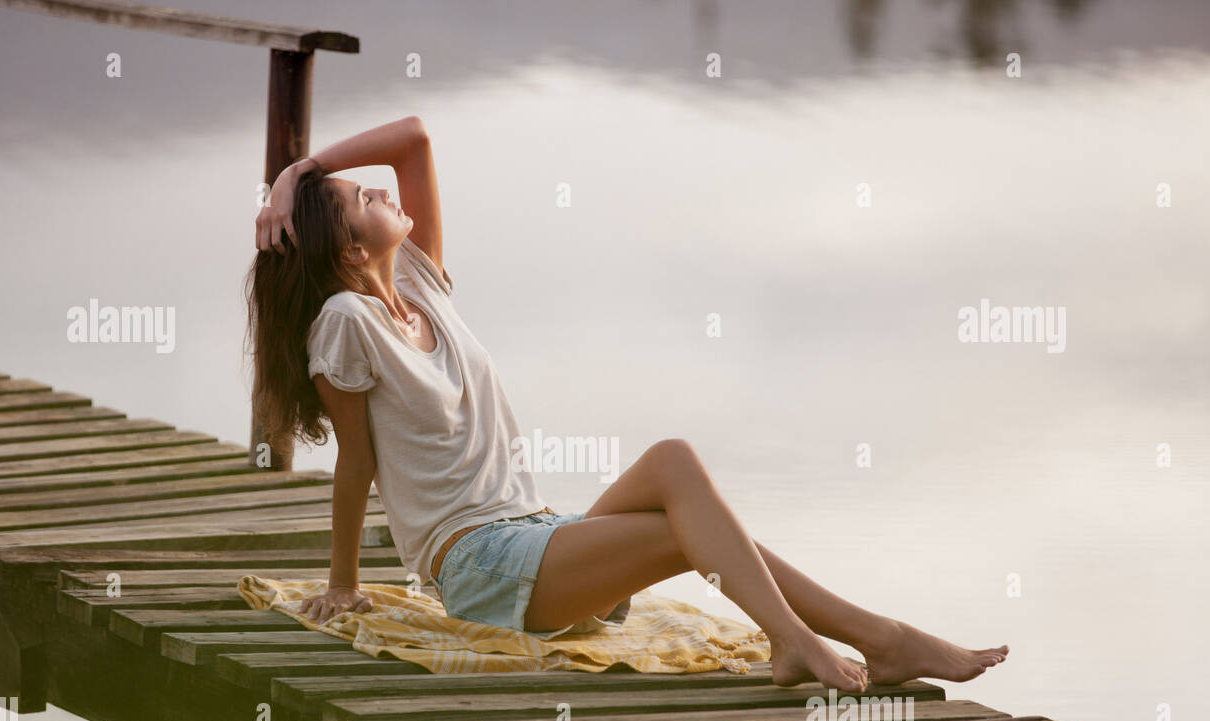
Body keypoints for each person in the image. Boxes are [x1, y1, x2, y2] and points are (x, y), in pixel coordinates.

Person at [247, 117, 1008, 692]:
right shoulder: (346, 323)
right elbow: (357, 460)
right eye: (360, 198)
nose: (380, 187)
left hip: (537, 536)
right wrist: (343, 583)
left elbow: (412, 138)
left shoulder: (419, 285)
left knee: (672, 468)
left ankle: (862, 636)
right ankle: (821, 639)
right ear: (351, 251)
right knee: (683, 513)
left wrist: (300, 173)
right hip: (483, 565)